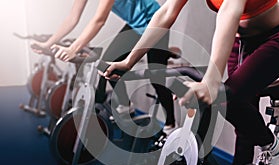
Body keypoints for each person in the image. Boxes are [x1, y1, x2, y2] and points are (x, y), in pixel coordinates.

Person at [104, 0, 279, 165]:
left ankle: (274, 147)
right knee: (242, 117)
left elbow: (230, 10)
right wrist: (129, 61)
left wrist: (211, 81)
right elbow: (166, 12)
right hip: (241, 43)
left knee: (224, 100)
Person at [31, 0, 177, 134]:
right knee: (109, 64)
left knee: (156, 77)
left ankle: (171, 124)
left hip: (155, 22)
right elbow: (72, 18)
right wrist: (47, 44)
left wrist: (73, 49)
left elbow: (99, 20)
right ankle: (126, 105)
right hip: (135, 25)